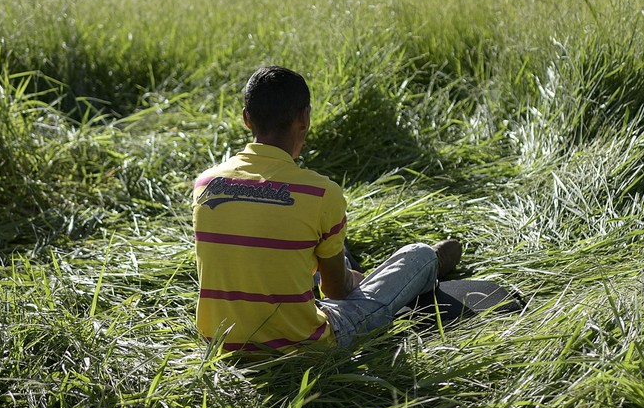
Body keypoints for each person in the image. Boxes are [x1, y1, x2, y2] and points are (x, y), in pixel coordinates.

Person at [192, 66, 462, 355]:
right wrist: (359, 281)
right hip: (302, 346)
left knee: (314, 251)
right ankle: (429, 264)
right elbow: (336, 291)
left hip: (222, 344)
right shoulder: (320, 192)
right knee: (416, 255)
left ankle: (342, 261)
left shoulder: (206, 183)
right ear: (304, 118)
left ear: (247, 119)